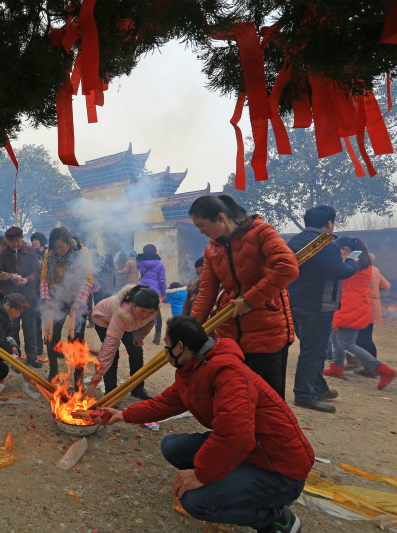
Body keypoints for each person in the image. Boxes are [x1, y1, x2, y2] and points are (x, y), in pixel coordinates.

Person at [95, 315, 312, 533]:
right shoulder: (194, 367)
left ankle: (274, 518)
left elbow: (235, 436)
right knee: (172, 447)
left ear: (181, 347)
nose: (165, 354)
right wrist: (124, 415)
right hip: (248, 451)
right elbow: (166, 403)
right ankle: (227, 486)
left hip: (279, 469)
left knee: (195, 502)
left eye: (168, 348)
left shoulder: (228, 373)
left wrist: (201, 475)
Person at [189, 194, 299, 399]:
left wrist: (249, 301)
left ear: (220, 217)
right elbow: (207, 290)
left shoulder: (261, 232)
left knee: (268, 401)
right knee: (236, 396)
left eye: (202, 225)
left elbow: (287, 268)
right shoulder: (212, 249)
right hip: (229, 334)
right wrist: (193, 326)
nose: (201, 231)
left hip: (266, 332)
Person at [286, 205, 358, 413]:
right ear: (329, 223)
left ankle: (319, 388)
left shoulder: (295, 240)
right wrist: (352, 261)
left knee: (313, 349)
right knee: (313, 352)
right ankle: (304, 395)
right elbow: (338, 271)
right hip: (316, 306)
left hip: (295, 303)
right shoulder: (324, 244)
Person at [324, 237, 397, 390]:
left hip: (350, 308)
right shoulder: (363, 264)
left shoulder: (353, 263)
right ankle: (337, 369)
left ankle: (384, 371)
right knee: (335, 339)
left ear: (344, 250)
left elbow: (335, 272)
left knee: (346, 343)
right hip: (346, 306)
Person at [40, 226, 93, 385]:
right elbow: (45, 278)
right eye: (55, 247)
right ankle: (53, 372)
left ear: (69, 243)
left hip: (78, 299)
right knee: (51, 336)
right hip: (58, 298)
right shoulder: (49, 254)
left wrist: (78, 302)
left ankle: (78, 378)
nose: (58, 250)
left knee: (77, 339)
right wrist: (46, 298)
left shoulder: (82, 253)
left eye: (61, 247)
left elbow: (87, 279)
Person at [88, 285, 159, 399]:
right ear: (134, 305)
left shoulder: (153, 310)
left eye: (149, 312)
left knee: (136, 351)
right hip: (103, 318)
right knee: (113, 354)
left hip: (128, 323)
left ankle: (137, 388)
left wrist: (139, 336)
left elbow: (150, 322)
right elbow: (110, 345)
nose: (145, 315)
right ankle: (111, 393)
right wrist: (99, 372)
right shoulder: (123, 312)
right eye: (142, 311)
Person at [0, 226, 42, 368]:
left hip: (29, 297)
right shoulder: (2, 253)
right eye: (11, 242)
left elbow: (36, 272)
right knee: (12, 328)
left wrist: (27, 280)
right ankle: (15, 358)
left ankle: (32, 357)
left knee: (30, 327)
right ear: (7, 241)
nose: (15, 244)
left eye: (17, 241)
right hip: (11, 298)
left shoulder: (31, 252)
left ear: (22, 238)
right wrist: (11, 277)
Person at [354, 253, 391, 377]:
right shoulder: (375, 269)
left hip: (362, 306)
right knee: (365, 337)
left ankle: (371, 368)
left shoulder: (360, 270)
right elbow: (386, 286)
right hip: (373, 306)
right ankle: (367, 365)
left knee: (361, 339)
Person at [136, 244, 167, 344]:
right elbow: (162, 280)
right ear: (155, 252)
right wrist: (163, 293)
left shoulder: (140, 261)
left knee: (139, 311)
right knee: (157, 314)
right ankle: (157, 337)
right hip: (155, 291)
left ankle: (137, 334)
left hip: (142, 289)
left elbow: (140, 270)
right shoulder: (160, 264)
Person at [30, 231, 48, 361]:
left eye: (35, 240)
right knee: (37, 319)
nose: (33, 242)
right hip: (35, 291)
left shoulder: (49, 253)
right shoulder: (32, 254)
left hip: (48, 290)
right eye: (32, 240)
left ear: (41, 240)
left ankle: (52, 345)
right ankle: (39, 346)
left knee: (51, 318)